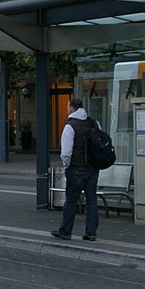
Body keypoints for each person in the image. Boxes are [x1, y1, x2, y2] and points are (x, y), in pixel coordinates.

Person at [51, 98, 99, 242]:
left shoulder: (70, 126)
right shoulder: (94, 123)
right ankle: (91, 233)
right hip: (92, 168)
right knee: (92, 201)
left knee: (71, 201)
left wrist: (67, 164)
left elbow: (66, 152)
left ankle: (65, 231)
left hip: (76, 168)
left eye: (68, 107)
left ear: (72, 108)